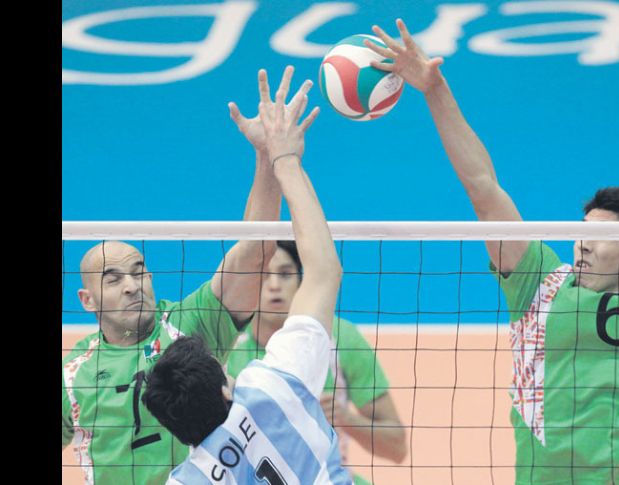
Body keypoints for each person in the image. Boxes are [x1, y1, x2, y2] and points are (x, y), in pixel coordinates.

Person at [366, 19, 619, 484]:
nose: (583, 242)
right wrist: (435, 89)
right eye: (581, 231)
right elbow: (483, 187)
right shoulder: (541, 284)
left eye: (601, 236)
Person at [60, 66, 312, 484]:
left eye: (139, 272)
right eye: (113, 278)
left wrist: (267, 156)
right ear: (87, 300)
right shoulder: (73, 375)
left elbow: (254, 251)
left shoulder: (188, 325)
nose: (131, 286)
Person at [143, 66, 353, 484]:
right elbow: (325, 271)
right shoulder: (272, 387)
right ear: (225, 390)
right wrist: (285, 159)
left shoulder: (185, 480)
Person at [226, 240, 407, 484]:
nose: (275, 285)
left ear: (301, 282)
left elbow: (397, 448)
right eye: (264, 275)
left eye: (285, 274)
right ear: (249, 283)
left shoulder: (341, 340)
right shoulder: (228, 350)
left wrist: (346, 419)